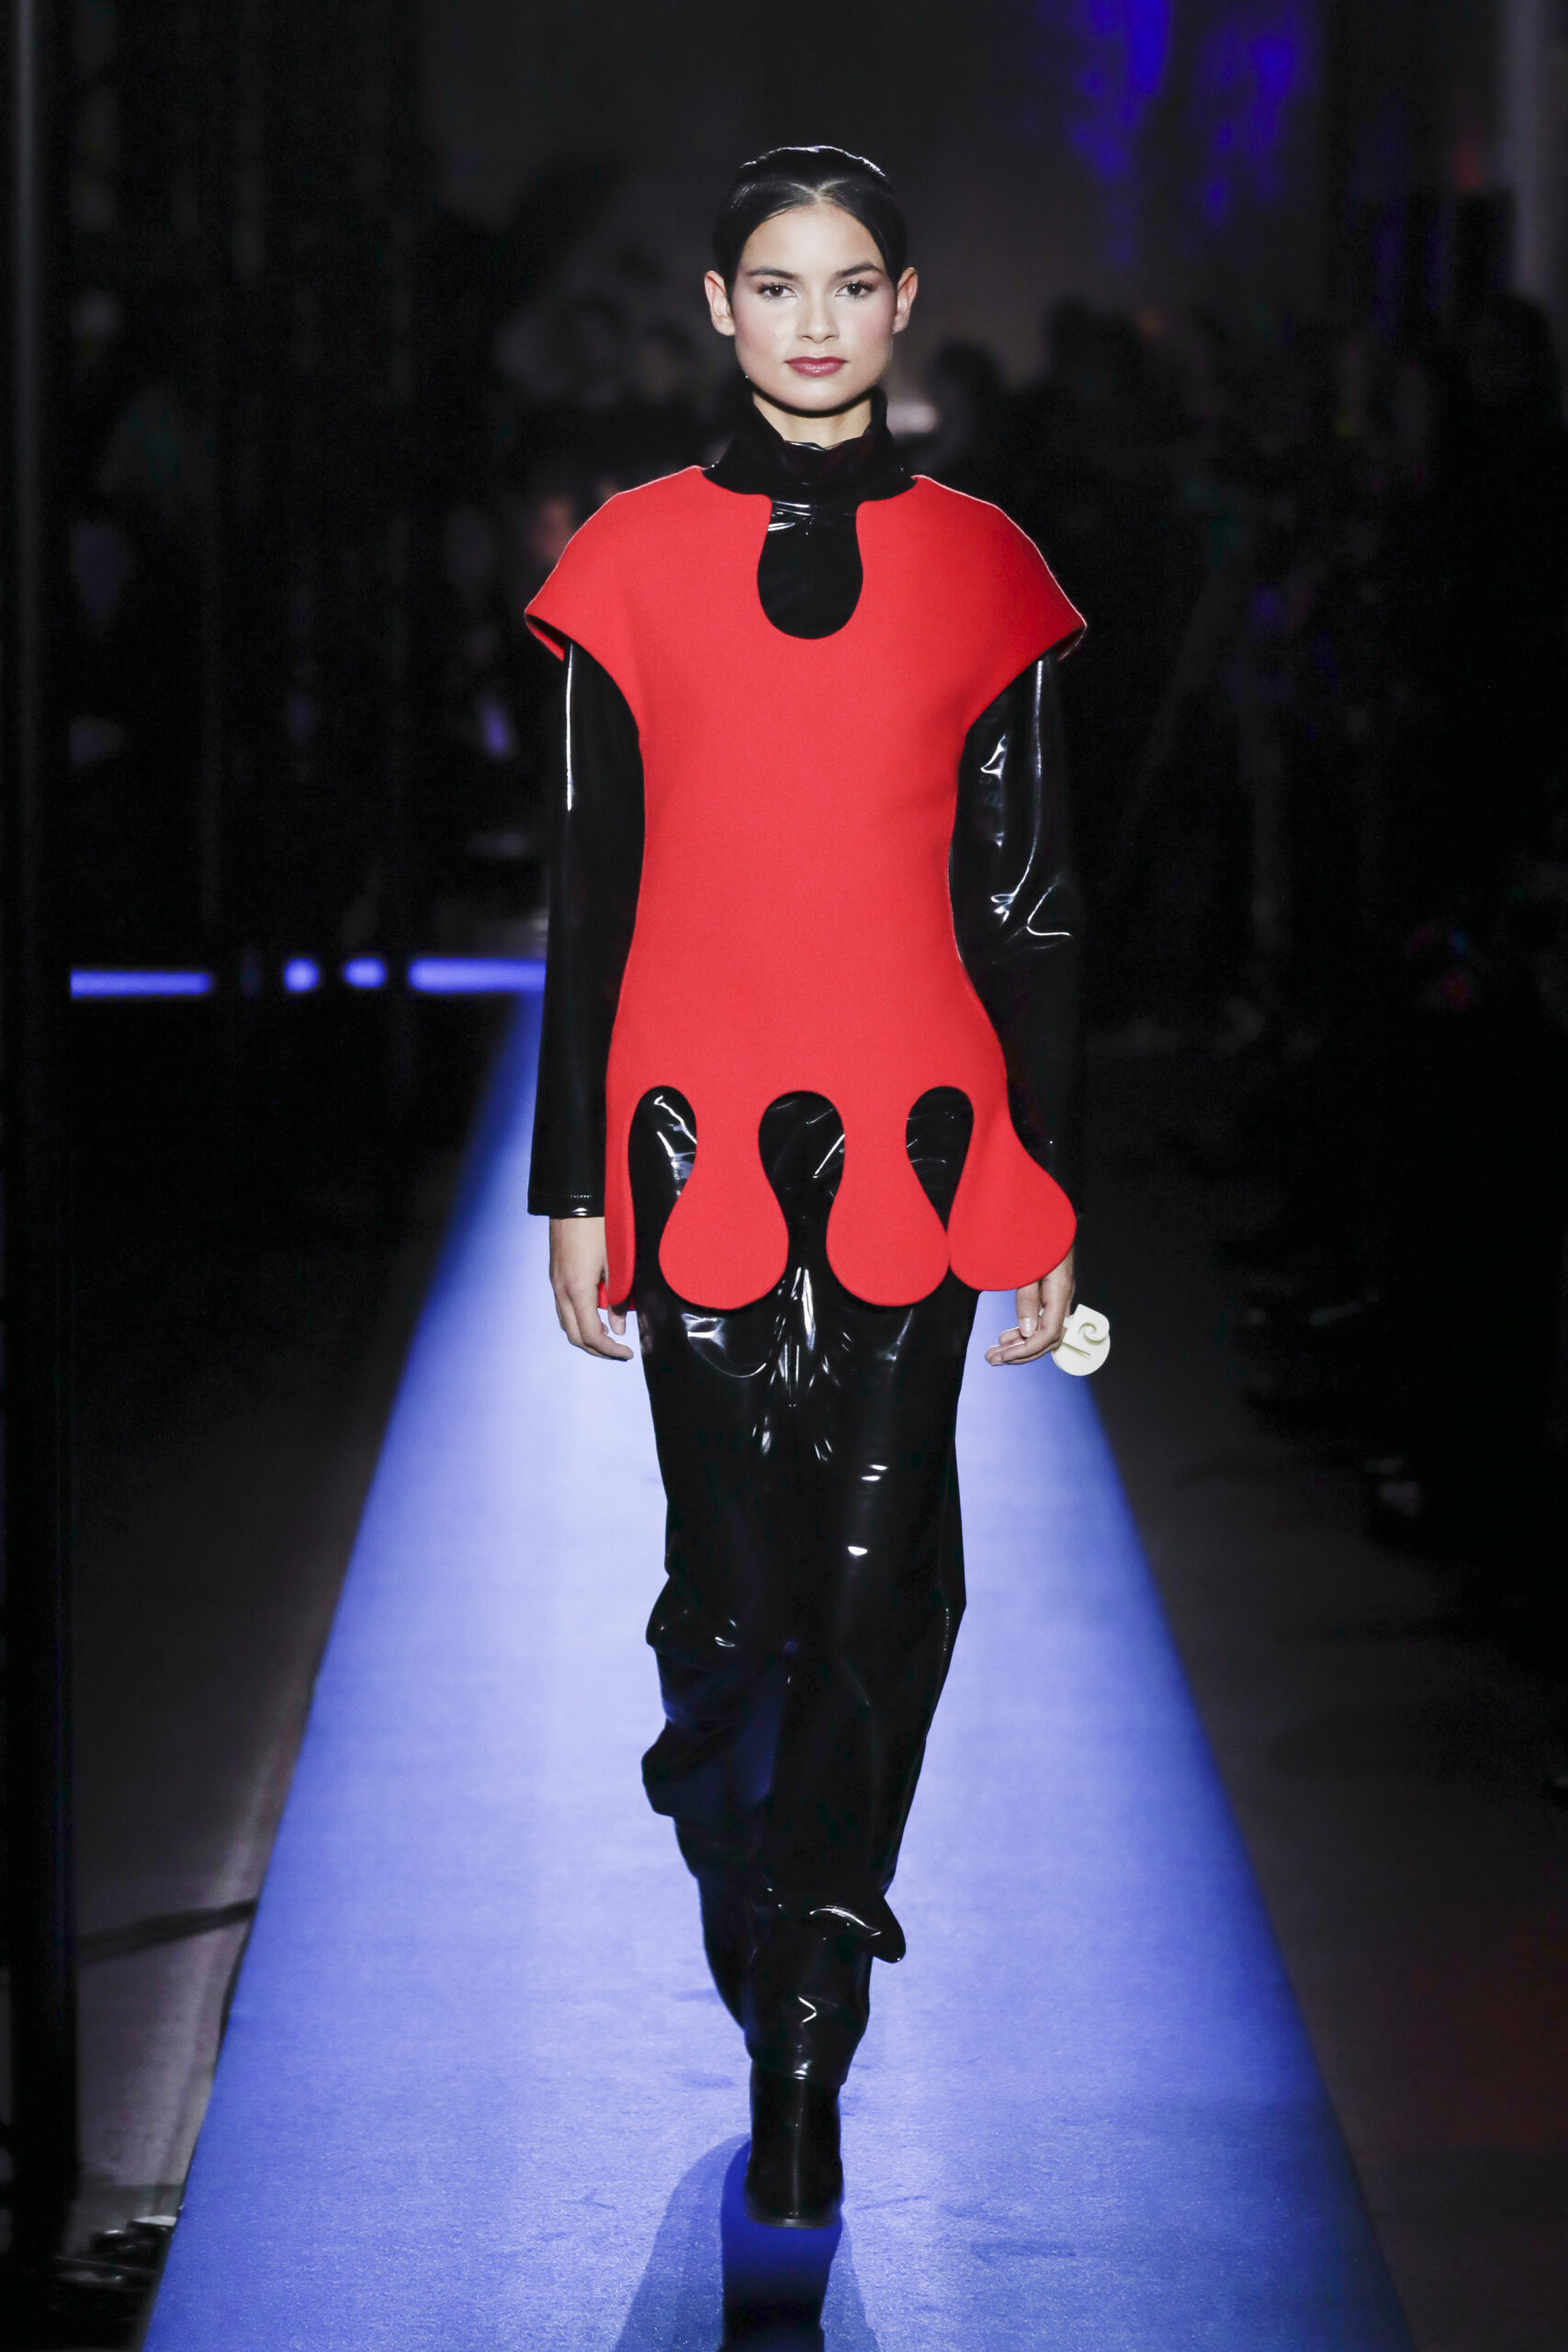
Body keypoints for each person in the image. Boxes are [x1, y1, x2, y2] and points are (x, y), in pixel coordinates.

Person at [525, 147, 1085, 2231]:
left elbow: (1029, 902)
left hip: (917, 1145)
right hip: (689, 1142)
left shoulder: (987, 566)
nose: (817, 320)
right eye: (779, 283)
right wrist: (569, 1180)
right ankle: (753, 1881)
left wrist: (1047, 1187)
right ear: (719, 306)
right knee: (734, 1605)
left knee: (871, 1591)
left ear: (904, 301)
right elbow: (587, 891)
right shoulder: (625, 560)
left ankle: (802, 2033)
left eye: (852, 282)